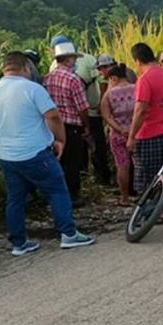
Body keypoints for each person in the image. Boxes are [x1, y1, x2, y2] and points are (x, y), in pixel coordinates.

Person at [0, 52, 95, 256]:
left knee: (15, 199)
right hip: (35, 153)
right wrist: (60, 140)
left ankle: (19, 243)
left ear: (4, 68)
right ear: (26, 68)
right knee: (57, 190)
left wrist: (2, 141)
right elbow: (52, 116)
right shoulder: (32, 89)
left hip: (7, 156)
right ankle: (68, 234)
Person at [43, 39, 91, 208]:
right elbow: (82, 108)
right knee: (72, 162)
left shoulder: (47, 78)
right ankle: (72, 196)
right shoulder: (73, 79)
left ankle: (56, 195)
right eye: (73, 58)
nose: (75, 61)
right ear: (68, 58)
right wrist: (86, 127)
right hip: (71, 126)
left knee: (57, 161)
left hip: (51, 126)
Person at [127, 43, 163, 200]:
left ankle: (149, 211)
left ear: (138, 61)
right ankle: (162, 209)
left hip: (148, 133)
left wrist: (132, 136)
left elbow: (140, 109)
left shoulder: (145, 79)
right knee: (162, 172)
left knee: (146, 175)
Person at [100, 64, 136, 206]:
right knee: (139, 165)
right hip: (137, 133)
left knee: (122, 165)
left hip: (118, 135)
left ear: (113, 78)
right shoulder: (137, 89)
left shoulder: (109, 94)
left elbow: (106, 116)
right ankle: (144, 194)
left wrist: (120, 129)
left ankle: (125, 197)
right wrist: (132, 129)